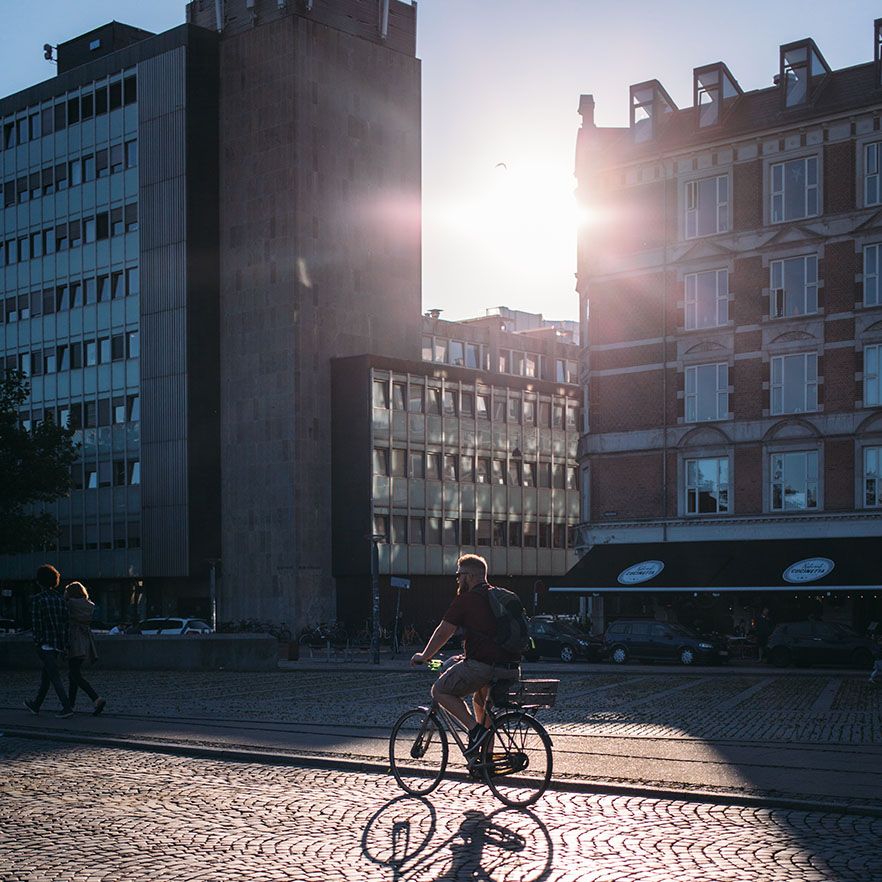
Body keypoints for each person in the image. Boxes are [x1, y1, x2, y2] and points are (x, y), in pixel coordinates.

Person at [410, 554, 521, 755]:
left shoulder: (467, 599)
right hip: (510, 668)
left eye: (459, 575)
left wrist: (424, 656)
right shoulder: (498, 598)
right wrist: (466, 656)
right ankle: (486, 761)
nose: (458, 579)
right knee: (481, 705)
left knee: (439, 691)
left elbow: (443, 632)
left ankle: (474, 731)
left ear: (469, 576)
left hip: (485, 668)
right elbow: (492, 638)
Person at [23, 564, 73, 718]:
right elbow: (66, 624)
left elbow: (37, 624)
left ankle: (67, 707)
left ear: (40, 581)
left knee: (54, 677)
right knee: (47, 676)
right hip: (58, 644)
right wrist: (65, 644)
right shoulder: (60, 599)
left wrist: (37, 642)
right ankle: (36, 705)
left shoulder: (38, 600)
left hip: (45, 644)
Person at [64, 581, 105, 716]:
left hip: (74, 641)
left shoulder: (70, 604)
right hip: (86, 641)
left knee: (75, 675)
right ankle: (70, 705)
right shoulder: (89, 605)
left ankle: (96, 699)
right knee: (73, 675)